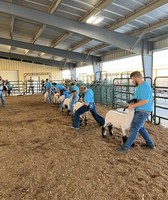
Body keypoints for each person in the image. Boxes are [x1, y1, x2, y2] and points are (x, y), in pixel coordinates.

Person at [116, 71, 155, 153]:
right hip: (140, 110)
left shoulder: (145, 87)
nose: (132, 81)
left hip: (143, 111)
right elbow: (136, 99)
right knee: (140, 128)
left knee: (134, 127)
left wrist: (132, 106)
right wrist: (130, 104)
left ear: (136, 77)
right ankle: (150, 144)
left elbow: (145, 101)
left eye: (133, 79)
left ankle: (126, 147)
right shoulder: (139, 87)